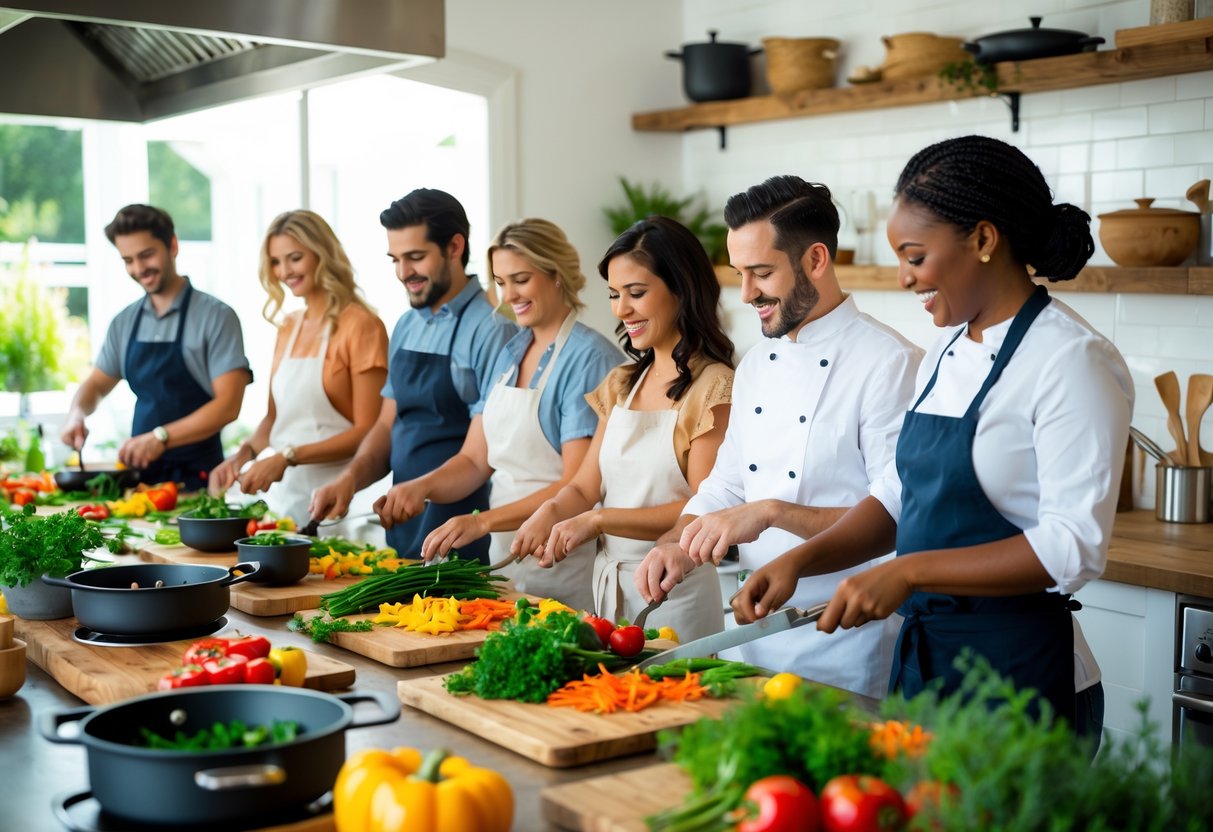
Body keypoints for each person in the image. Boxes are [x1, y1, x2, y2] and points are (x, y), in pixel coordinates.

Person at [732, 136, 1133, 731]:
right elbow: (899, 494)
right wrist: (801, 561)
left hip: (1019, 674)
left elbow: (1073, 547)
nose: (903, 278)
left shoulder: (1071, 358)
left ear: (984, 240)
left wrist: (908, 571)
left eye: (915, 257)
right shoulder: (948, 347)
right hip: (928, 664)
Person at [634, 176, 922, 699]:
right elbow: (725, 485)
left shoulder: (890, 363)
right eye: (739, 274)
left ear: (816, 260)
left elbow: (898, 516)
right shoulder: (757, 363)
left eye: (762, 273)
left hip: (845, 641)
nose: (746, 294)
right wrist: (679, 544)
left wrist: (772, 513)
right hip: (755, 637)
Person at [512, 216, 735, 641]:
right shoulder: (621, 383)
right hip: (608, 589)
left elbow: (702, 506)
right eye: (615, 295)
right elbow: (584, 486)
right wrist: (552, 511)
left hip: (675, 593)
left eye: (636, 293)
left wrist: (598, 521)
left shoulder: (714, 386)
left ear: (681, 289)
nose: (621, 309)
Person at [383, 219, 621, 611]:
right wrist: (421, 487)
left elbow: (575, 484)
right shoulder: (511, 351)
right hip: (505, 558)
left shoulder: (589, 359)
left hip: (562, 560)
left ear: (556, 274)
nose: (509, 295)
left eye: (521, 280)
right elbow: (475, 460)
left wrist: (482, 521)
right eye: (500, 281)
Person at [309, 189, 517, 560]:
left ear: (454, 247)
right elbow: (387, 426)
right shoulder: (406, 325)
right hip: (404, 529)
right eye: (396, 259)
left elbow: (479, 457)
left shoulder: (492, 331)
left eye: (416, 257)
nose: (404, 273)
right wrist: (349, 480)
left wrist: (420, 488)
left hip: (463, 534)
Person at [207, 210, 388, 523]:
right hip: (288, 499)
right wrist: (242, 456)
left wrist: (288, 456)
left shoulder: (362, 326)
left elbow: (368, 430)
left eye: (294, 258)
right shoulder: (288, 326)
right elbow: (273, 420)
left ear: (322, 254)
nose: (284, 271)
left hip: (342, 501)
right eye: (276, 262)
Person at [60, 204, 252, 491]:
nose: (139, 269)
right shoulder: (124, 322)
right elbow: (96, 385)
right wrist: (76, 413)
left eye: (146, 255)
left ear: (172, 245)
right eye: (128, 260)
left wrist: (161, 437)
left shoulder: (216, 316)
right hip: (141, 484)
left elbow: (228, 406)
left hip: (200, 480)